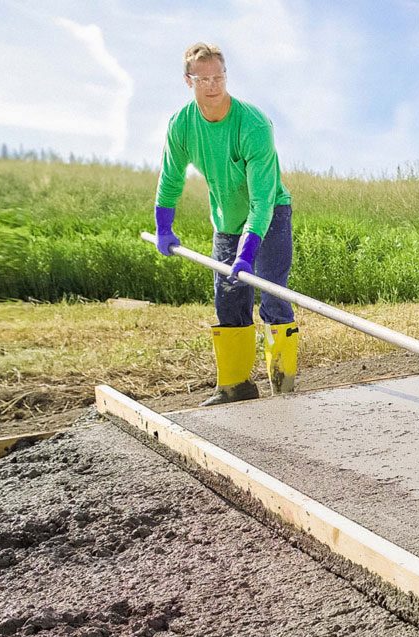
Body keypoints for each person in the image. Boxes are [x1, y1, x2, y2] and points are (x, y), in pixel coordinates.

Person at [152, 42, 298, 406]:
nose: (213, 85)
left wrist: (247, 253)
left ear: (225, 76)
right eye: (204, 79)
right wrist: (163, 226)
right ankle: (235, 387)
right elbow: (170, 179)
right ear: (189, 81)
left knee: (273, 296)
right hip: (226, 223)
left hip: (270, 216)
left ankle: (283, 386)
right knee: (229, 301)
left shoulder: (253, 124)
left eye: (219, 76)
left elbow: (262, 199)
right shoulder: (182, 125)